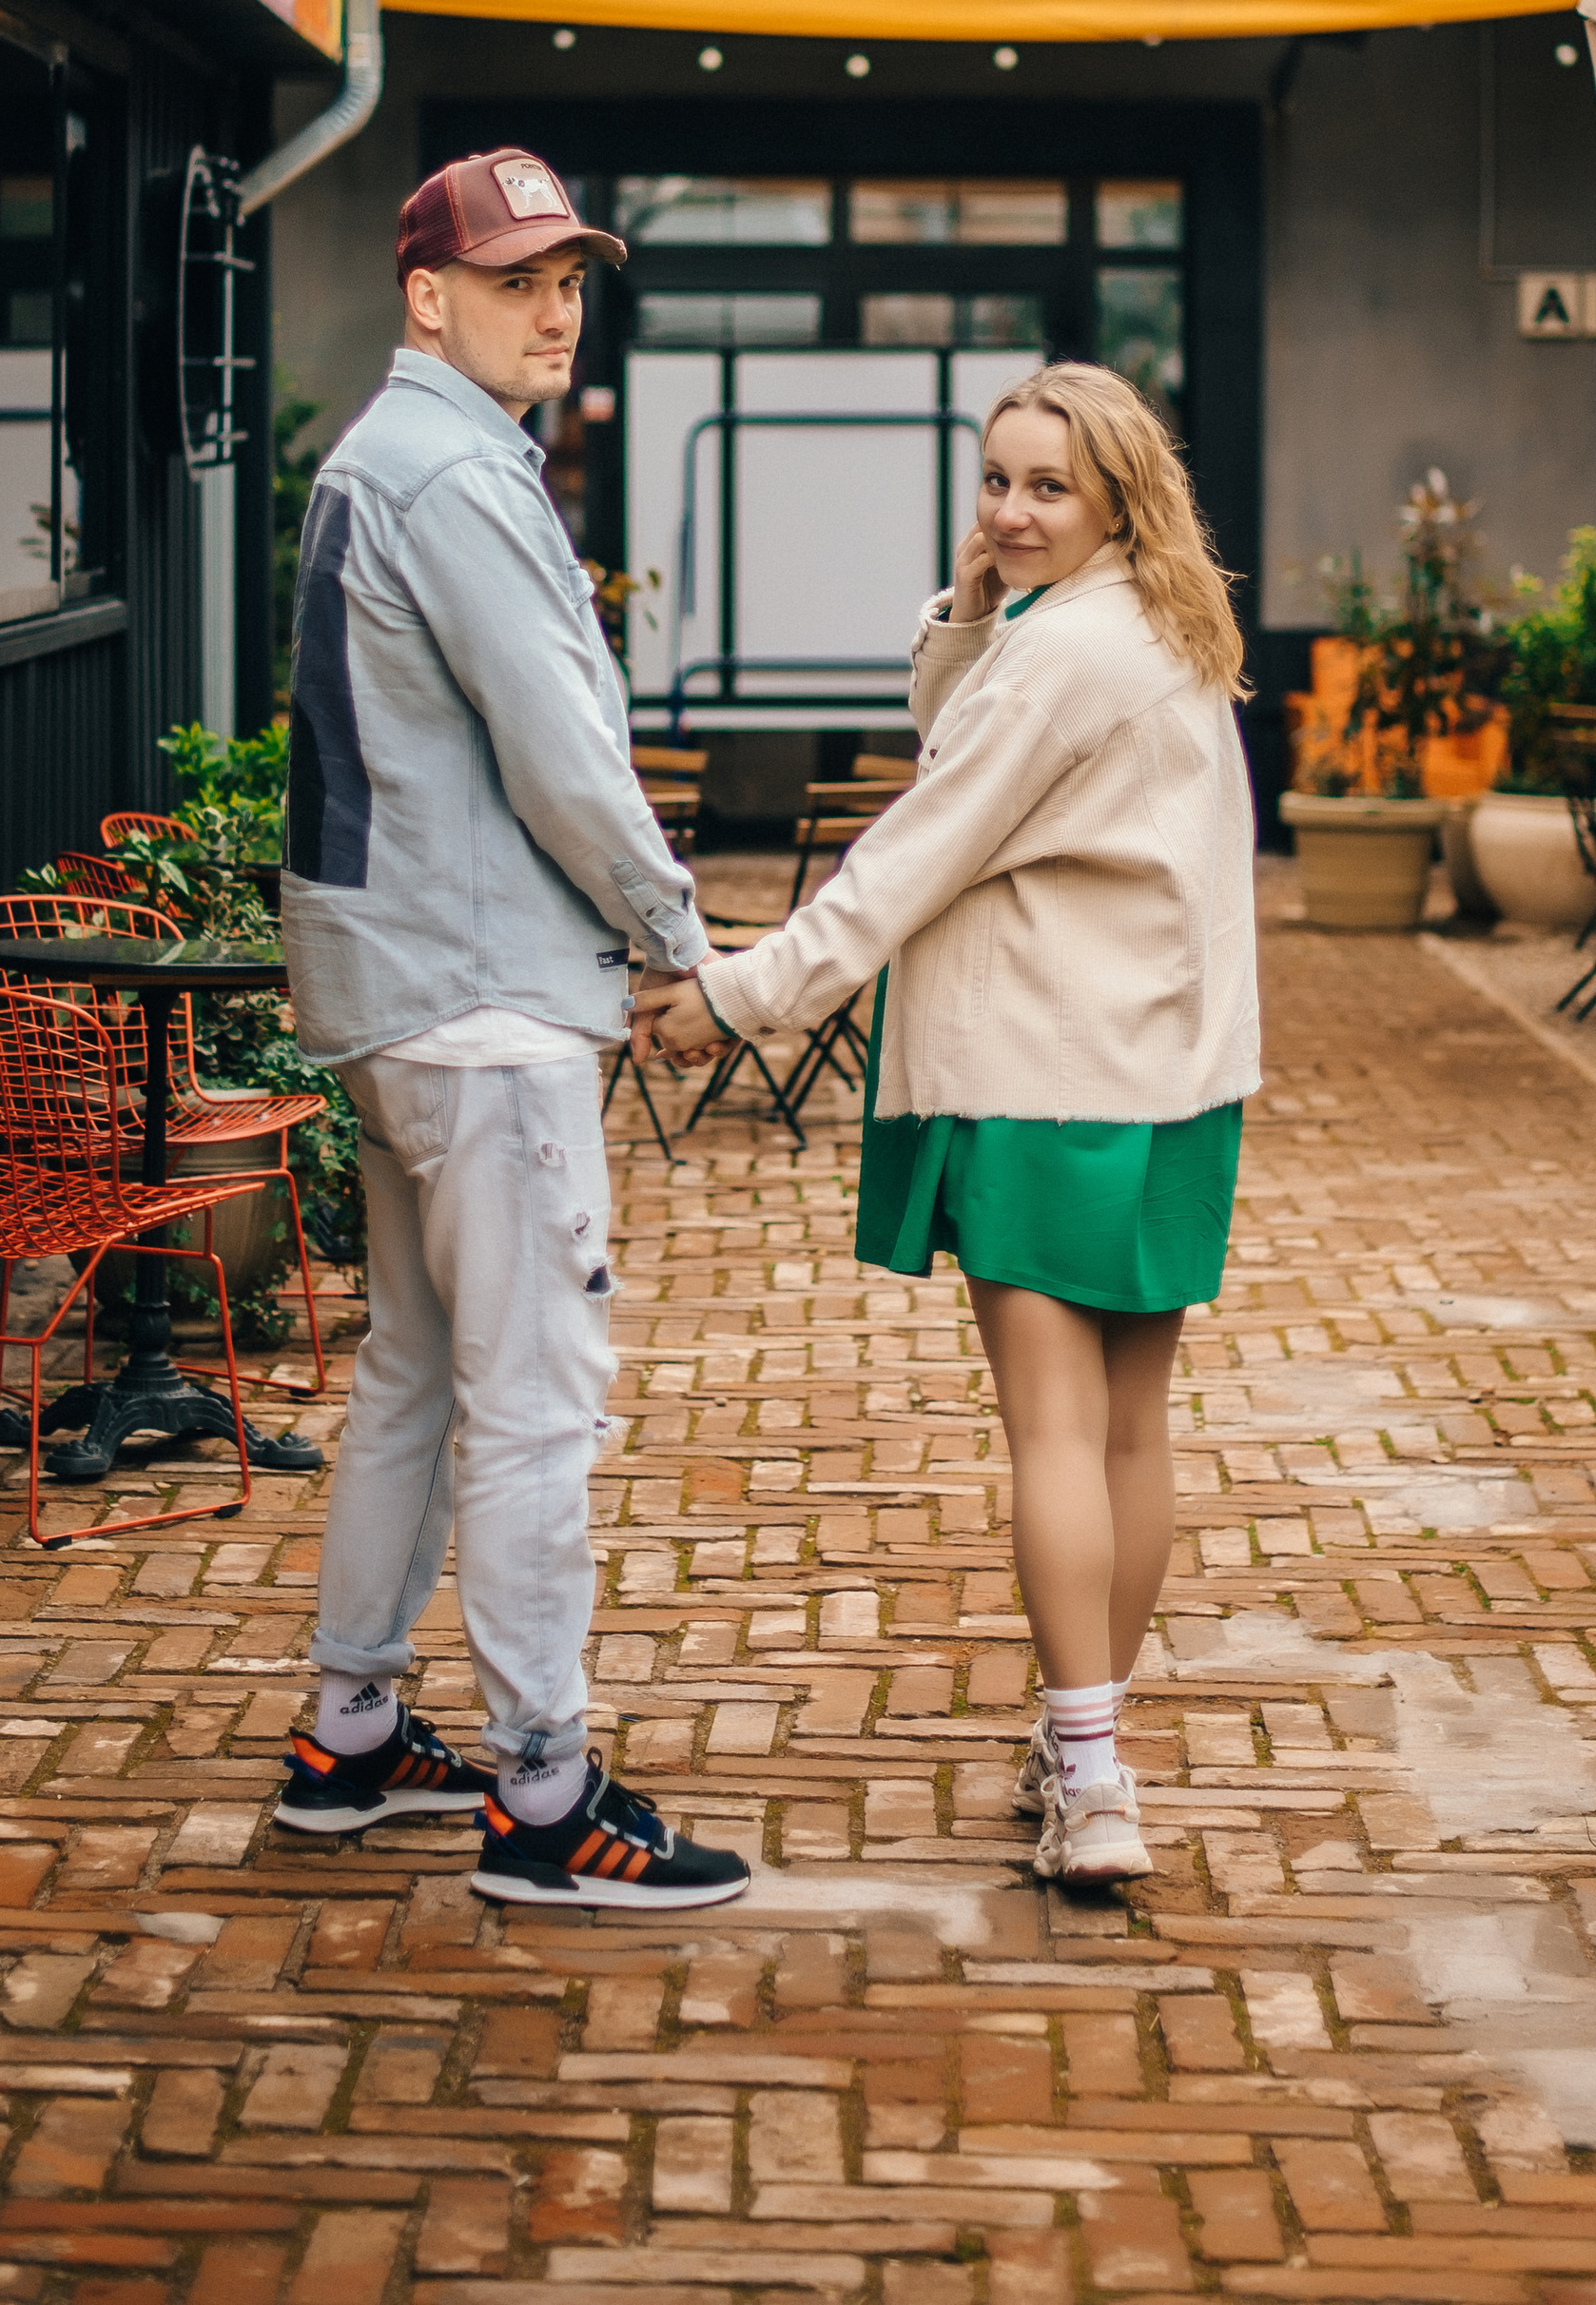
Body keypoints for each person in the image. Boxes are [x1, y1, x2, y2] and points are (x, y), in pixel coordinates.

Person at [638, 361, 1256, 1887]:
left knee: (1052, 1427)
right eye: (995, 479)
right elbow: (959, 724)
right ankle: (1087, 1741)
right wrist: (979, 598)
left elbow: (911, 851)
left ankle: (1097, 1778)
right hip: (1172, 1075)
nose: (1012, 508)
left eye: (1048, 486)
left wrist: (734, 994)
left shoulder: (1065, 658)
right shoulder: (1156, 625)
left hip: (1043, 1066)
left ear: (1117, 493)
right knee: (1126, 1426)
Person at [273, 147, 748, 1913]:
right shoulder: (459, 479)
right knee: (536, 1403)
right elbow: (565, 757)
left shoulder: (387, 459)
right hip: (480, 1000)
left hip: (395, 988)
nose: (556, 303)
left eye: (568, 275)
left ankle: (353, 1730)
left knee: (410, 1366)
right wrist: (677, 937)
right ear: (428, 294)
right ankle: (546, 1796)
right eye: (517, 275)